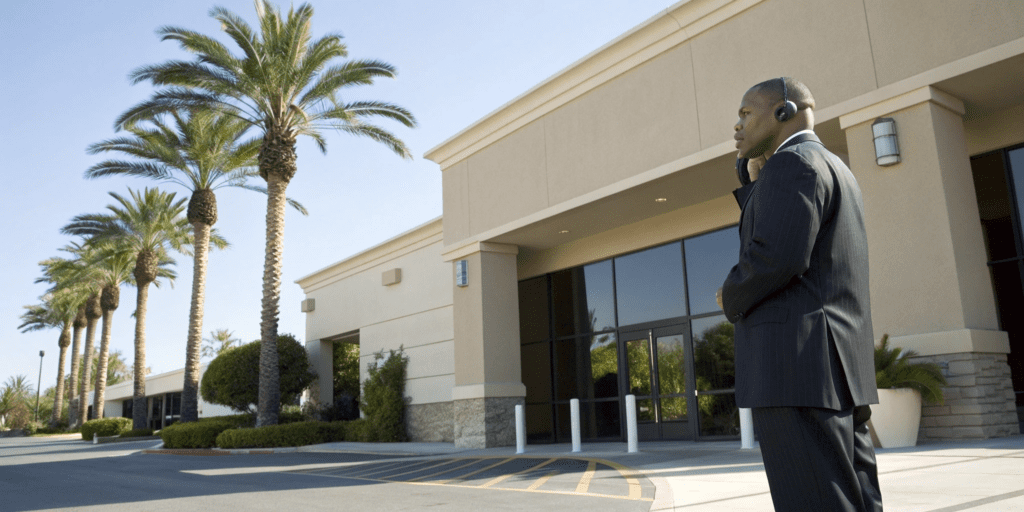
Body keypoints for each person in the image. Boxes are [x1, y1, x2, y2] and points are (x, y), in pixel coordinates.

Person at [720, 77, 883, 511]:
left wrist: (729, 295)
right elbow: (789, 232)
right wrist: (754, 175)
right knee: (854, 501)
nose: (737, 127)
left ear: (783, 112)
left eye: (745, 114)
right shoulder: (833, 167)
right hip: (837, 371)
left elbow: (776, 257)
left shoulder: (793, 166)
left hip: (795, 370)